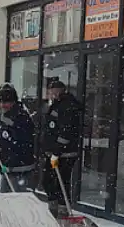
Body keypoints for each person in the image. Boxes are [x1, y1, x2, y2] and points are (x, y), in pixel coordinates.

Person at [0, 83, 36, 193]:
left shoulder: (20, 117)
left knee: (17, 198)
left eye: (5, 102)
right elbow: (1, 124)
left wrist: (9, 163)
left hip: (19, 168)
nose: (2, 105)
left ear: (13, 102)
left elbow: (13, 141)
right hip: (9, 165)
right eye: (1, 102)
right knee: (5, 196)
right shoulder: (9, 113)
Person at [39, 80, 83, 217]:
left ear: (59, 91)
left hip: (65, 154)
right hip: (54, 152)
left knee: (60, 182)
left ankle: (62, 211)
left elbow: (66, 132)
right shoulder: (57, 105)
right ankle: (53, 208)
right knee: (48, 181)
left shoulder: (68, 106)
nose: (51, 95)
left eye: (53, 92)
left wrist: (57, 152)